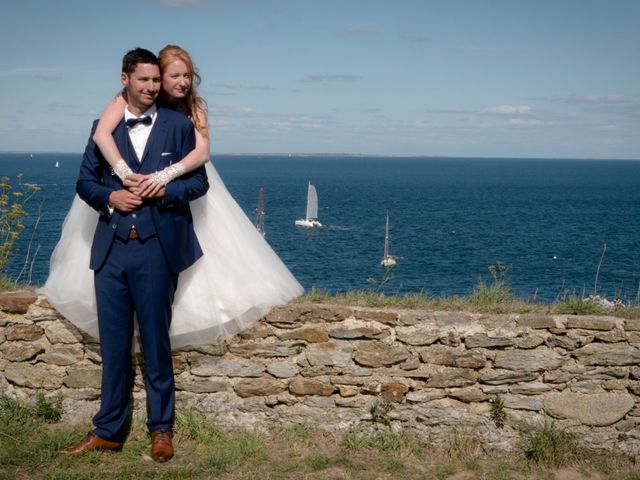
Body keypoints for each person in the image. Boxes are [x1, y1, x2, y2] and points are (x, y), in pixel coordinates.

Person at [40, 45, 303, 350]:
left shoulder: (193, 109)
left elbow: (202, 153)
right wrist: (125, 176)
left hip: (183, 175)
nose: (182, 82)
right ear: (157, 77)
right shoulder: (125, 101)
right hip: (126, 200)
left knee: (204, 251)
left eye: (188, 75)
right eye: (174, 76)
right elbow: (101, 135)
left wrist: (165, 177)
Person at [60, 48, 209, 461]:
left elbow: (198, 185)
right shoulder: (100, 128)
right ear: (124, 79)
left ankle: (161, 431)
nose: (150, 87)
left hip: (156, 251)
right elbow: (85, 182)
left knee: (157, 344)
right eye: (143, 80)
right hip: (110, 251)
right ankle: (108, 430)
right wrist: (111, 196)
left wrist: (165, 188)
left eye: (155, 81)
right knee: (114, 345)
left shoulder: (179, 126)